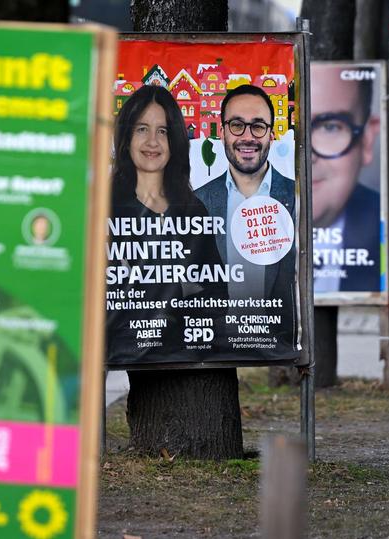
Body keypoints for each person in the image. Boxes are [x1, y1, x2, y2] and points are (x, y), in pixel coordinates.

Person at [106, 85, 224, 364]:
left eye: (163, 131)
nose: (152, 142)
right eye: (141, 129)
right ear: (125, 138)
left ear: (175, 141)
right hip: (119, 350)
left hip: (181, 352)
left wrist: (178, 322)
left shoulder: (193, 210)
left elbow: (217, 291)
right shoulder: (105, 207)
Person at [194, 84, 297, 309]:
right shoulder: (197, 203)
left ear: (271, 134)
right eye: (237, 125)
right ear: (222, 133)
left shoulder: (298, 199)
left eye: (258, 126)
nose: (247, 137)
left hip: (278, 342)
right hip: (216, 341)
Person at [309, 64, 382, 292]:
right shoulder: (208, 238)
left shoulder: (379, 236)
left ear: (367, 140)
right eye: (282, 124)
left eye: (329, 127)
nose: (304, 155)